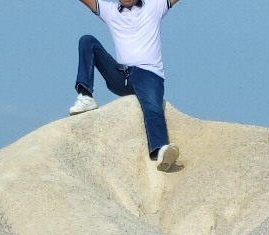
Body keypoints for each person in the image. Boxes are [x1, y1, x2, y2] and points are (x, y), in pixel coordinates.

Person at [68, 0, 184, 172]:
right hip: (121, 76)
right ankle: (85, 95)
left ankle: (160, 150)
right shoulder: (111, 11)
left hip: (148, 74)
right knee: (87, 41)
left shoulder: (154, 6)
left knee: (152, 107)